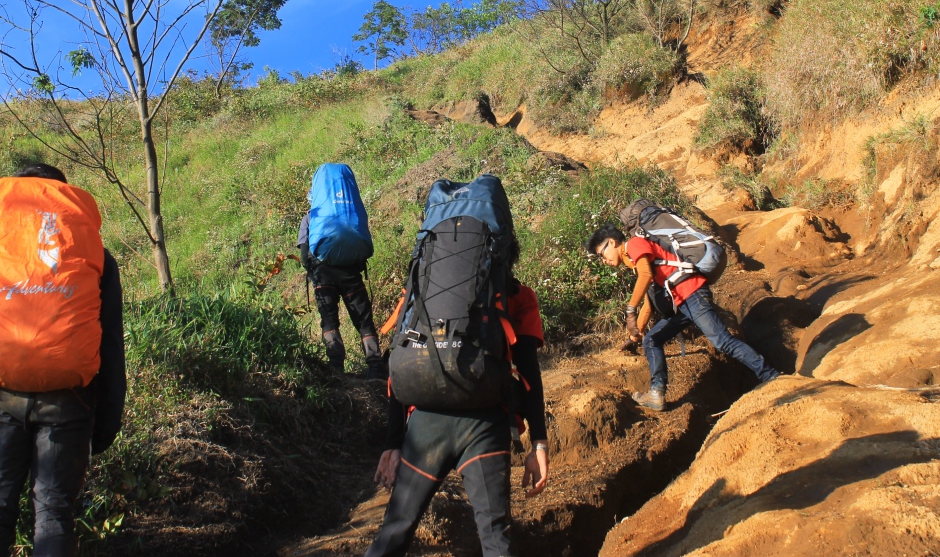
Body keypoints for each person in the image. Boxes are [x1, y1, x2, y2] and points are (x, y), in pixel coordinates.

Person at [0, 163, 126, 556]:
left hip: (1, 400)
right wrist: (106, 422)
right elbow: (110, 345)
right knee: (53, 515)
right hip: (68, 402)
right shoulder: (95, 256)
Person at [364, 244, 549, 557]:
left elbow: (400, 367)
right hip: (485, 425)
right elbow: (529, 373)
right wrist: (539, 444)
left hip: (425, 426)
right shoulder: (517, 295)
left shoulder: (421, 292)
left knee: (393, 534)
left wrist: (393, 443)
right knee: (495, 539)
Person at [588, 224, 779, 411]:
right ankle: (656, 393)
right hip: (684, 302)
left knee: (723, 342)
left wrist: (630, 310)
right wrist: (634, 335)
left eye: (601, 254)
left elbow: (645, 275)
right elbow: (649, 304)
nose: (603, 260)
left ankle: (771, 376)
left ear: (612, 242)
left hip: (692, 294)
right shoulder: (637, 262)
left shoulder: (635, 244)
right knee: (652, 340)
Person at [297, 163, 385, 379]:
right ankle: (375, 367)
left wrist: (314, 271)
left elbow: (304, 254)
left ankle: (336, 369)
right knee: (364, 321)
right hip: (350, 274)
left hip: (323, 275)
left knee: (329, 321)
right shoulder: (349, 212)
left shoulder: (311, 218)